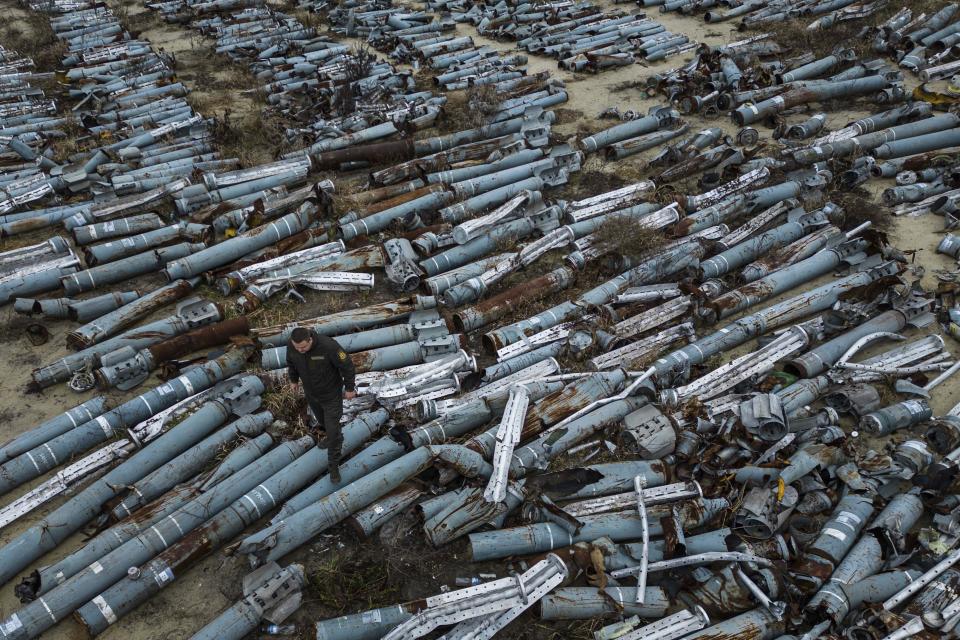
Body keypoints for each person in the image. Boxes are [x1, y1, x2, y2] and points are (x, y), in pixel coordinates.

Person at [285, 327, 356, 483]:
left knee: (332, 430)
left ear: (310, 339)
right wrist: (294, 380)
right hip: (312, 395)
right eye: (298, 348)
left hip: (331, 396)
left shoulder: (329, 346)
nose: (301, 350)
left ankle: (334, 466)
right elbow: (291, 363)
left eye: (303, 347)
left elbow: (347, 366)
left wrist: (350, 388)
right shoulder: (292, 346)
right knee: (324, 422)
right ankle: (335, 435)